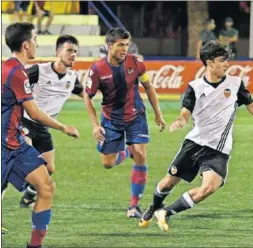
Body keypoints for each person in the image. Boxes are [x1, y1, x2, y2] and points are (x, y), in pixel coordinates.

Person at [138, 41, 253, 232]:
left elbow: (252, 105)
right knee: (168, 182)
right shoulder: (195, 87)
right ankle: (155, 205)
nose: (227, 64)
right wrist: (181, 121)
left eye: (227, 60)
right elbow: (185, 113)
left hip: (218, 150)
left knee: (209, 188)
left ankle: (166, 212)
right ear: (209, 62)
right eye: (222, 60)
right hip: (195, 144)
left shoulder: (235, 84)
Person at [2, 22, 79, 248]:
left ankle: (35, 245)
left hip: (14, 142)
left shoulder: (7, 67)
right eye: (35, 39)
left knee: (46, 186)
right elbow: (34, 112)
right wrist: (64, 127)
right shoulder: (17, 73)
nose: (37, 43)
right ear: (26, 45)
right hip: (7, 145)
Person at [84, 28, 166, 218]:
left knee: (141, 155)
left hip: (136, 116)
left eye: (127, 45)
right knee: (108, 163)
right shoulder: (97, 70)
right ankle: (128, 150)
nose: (124, 49)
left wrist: (158, 114)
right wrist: (96, 125)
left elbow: (148, 87)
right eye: (120, 45)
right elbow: (88, 98)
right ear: (109, 46)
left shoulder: (136, 63)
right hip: (111, 120)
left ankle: (133, 206)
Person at [19, 35, 84, 208]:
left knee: (49, 168)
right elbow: (14, 83)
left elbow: (85, 94)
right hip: (24, 122)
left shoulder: (71, 78)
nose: (73, 55)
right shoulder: (38, 71)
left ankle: (28, 196)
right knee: (27, 158)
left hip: (44, 127)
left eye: (75, 52)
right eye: (69, 50)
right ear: (58, 52)